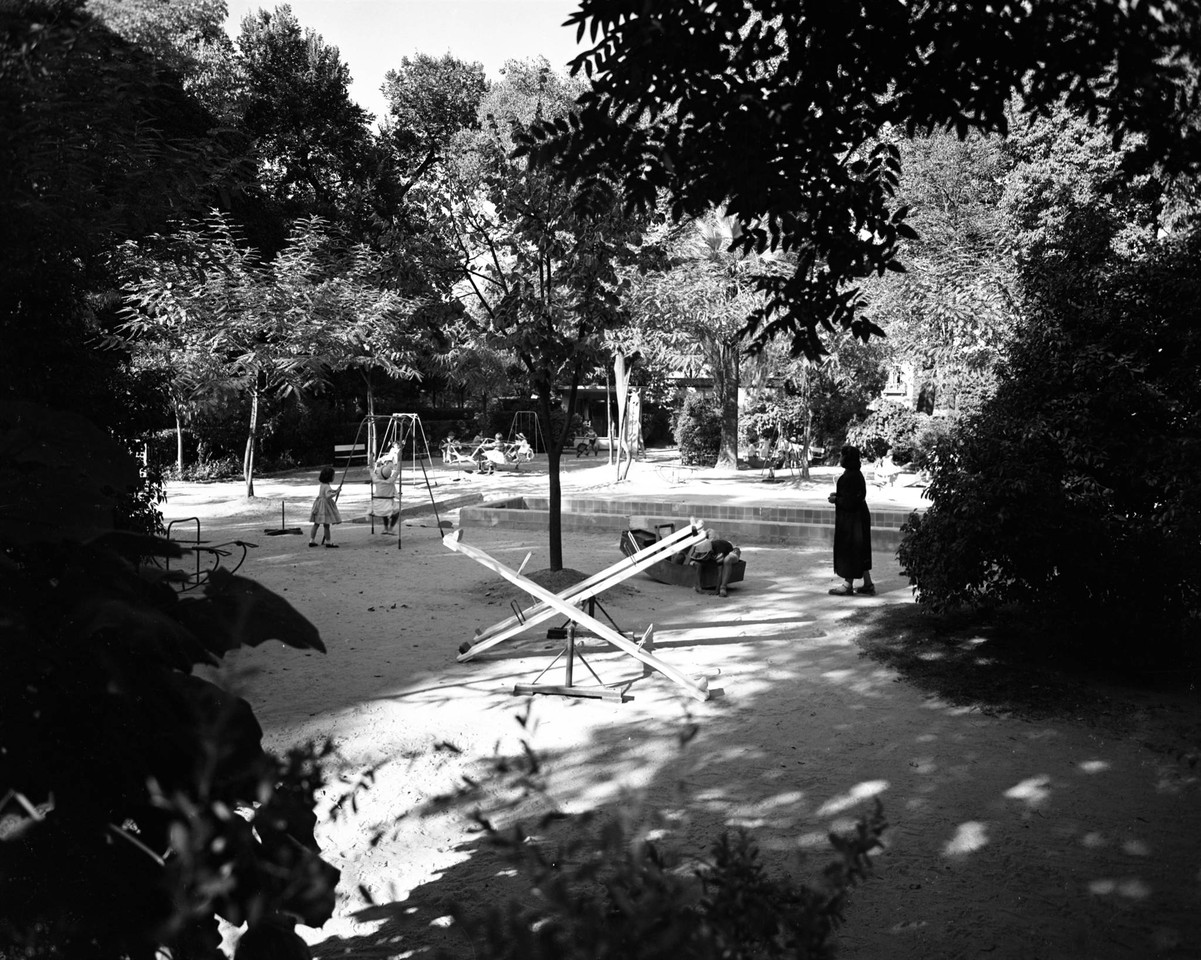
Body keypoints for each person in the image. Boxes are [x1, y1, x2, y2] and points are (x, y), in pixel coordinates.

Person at [827, 444, 875, 595]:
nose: (840, 458)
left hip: (852, 520)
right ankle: (868, 583)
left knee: (850, 549)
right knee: (860, 550)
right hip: (859, 517)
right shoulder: (856, 474)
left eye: (841, 455)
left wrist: (836, 500)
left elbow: (849, 502)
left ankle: (848, 584)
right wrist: (839, 496)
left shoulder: (849, 477)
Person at [686, 530, 741, 598]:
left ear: (710, 553)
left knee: (726, 560)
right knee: (699, 563)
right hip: (719, 551)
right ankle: (699, 586)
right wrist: (699, 587)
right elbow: (695, 562)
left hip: (733, 551)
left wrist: (716, 590)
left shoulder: (718, 552)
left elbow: (720, 572)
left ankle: (722, 588)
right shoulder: (703, 546)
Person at [309, 465, 342, 548]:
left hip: (319, 505)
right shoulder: (327, 486)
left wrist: (335, 490)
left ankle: (311, 540)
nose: (334, 477)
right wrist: (336, 493)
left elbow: (327, 492)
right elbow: (328, 495)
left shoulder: (323, 484)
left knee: (316, 524)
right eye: (333, 475)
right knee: (326, 525)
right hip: (324, 506)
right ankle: (328, 541)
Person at [371, 443, 400, 533]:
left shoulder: (377, 481)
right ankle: (390, 528)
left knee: (385, 510)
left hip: (378, 505)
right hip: (388, 504)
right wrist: (399, 459)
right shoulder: (391, 481)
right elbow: (397, 471)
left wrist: (370, 459)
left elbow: (371, 470)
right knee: (396, 512)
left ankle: (385, 528)